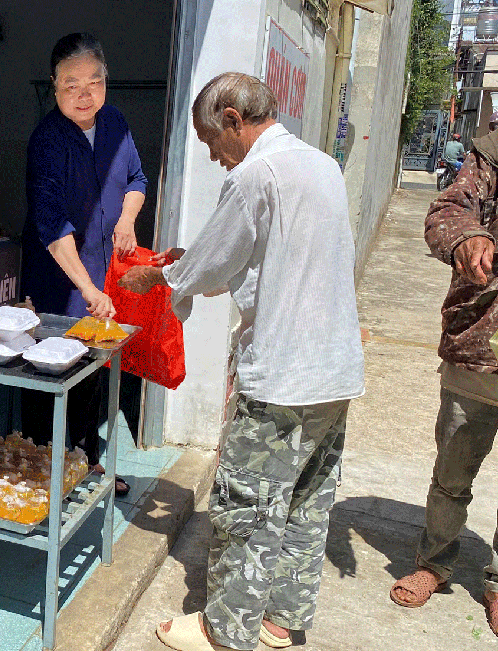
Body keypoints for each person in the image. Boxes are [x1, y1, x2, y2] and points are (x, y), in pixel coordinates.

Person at [119, 72, 365, 651]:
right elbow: (261, 253)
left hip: (281, 371)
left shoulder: (257, 172)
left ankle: (225, 628)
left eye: (212, 141)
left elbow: (210, 265)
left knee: (248, 505)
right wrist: (196, 261)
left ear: (233, 119)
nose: (213, 156)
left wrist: (157, 274)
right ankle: (283, 620)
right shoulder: (320, 165)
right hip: (333, 370)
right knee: (305, 500)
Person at [19, 32, 149, 496]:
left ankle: (87, 462)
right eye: (71, 84)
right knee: (48, 374)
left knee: (92, 372)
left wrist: (128, 220)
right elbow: (53, 228)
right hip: (59, 280)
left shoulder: (114, 123)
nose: (84, 94)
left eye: (94, 81)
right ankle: (38, 471)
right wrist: (88, 290)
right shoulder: (47, 142)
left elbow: (136, 177)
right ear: (54, 86)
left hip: (102, 274)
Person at [388, 123, 498, 635]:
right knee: (453, 470)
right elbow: (447, 212)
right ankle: (434, 562)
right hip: (479, 343)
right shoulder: (491, 153)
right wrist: (469, 237)